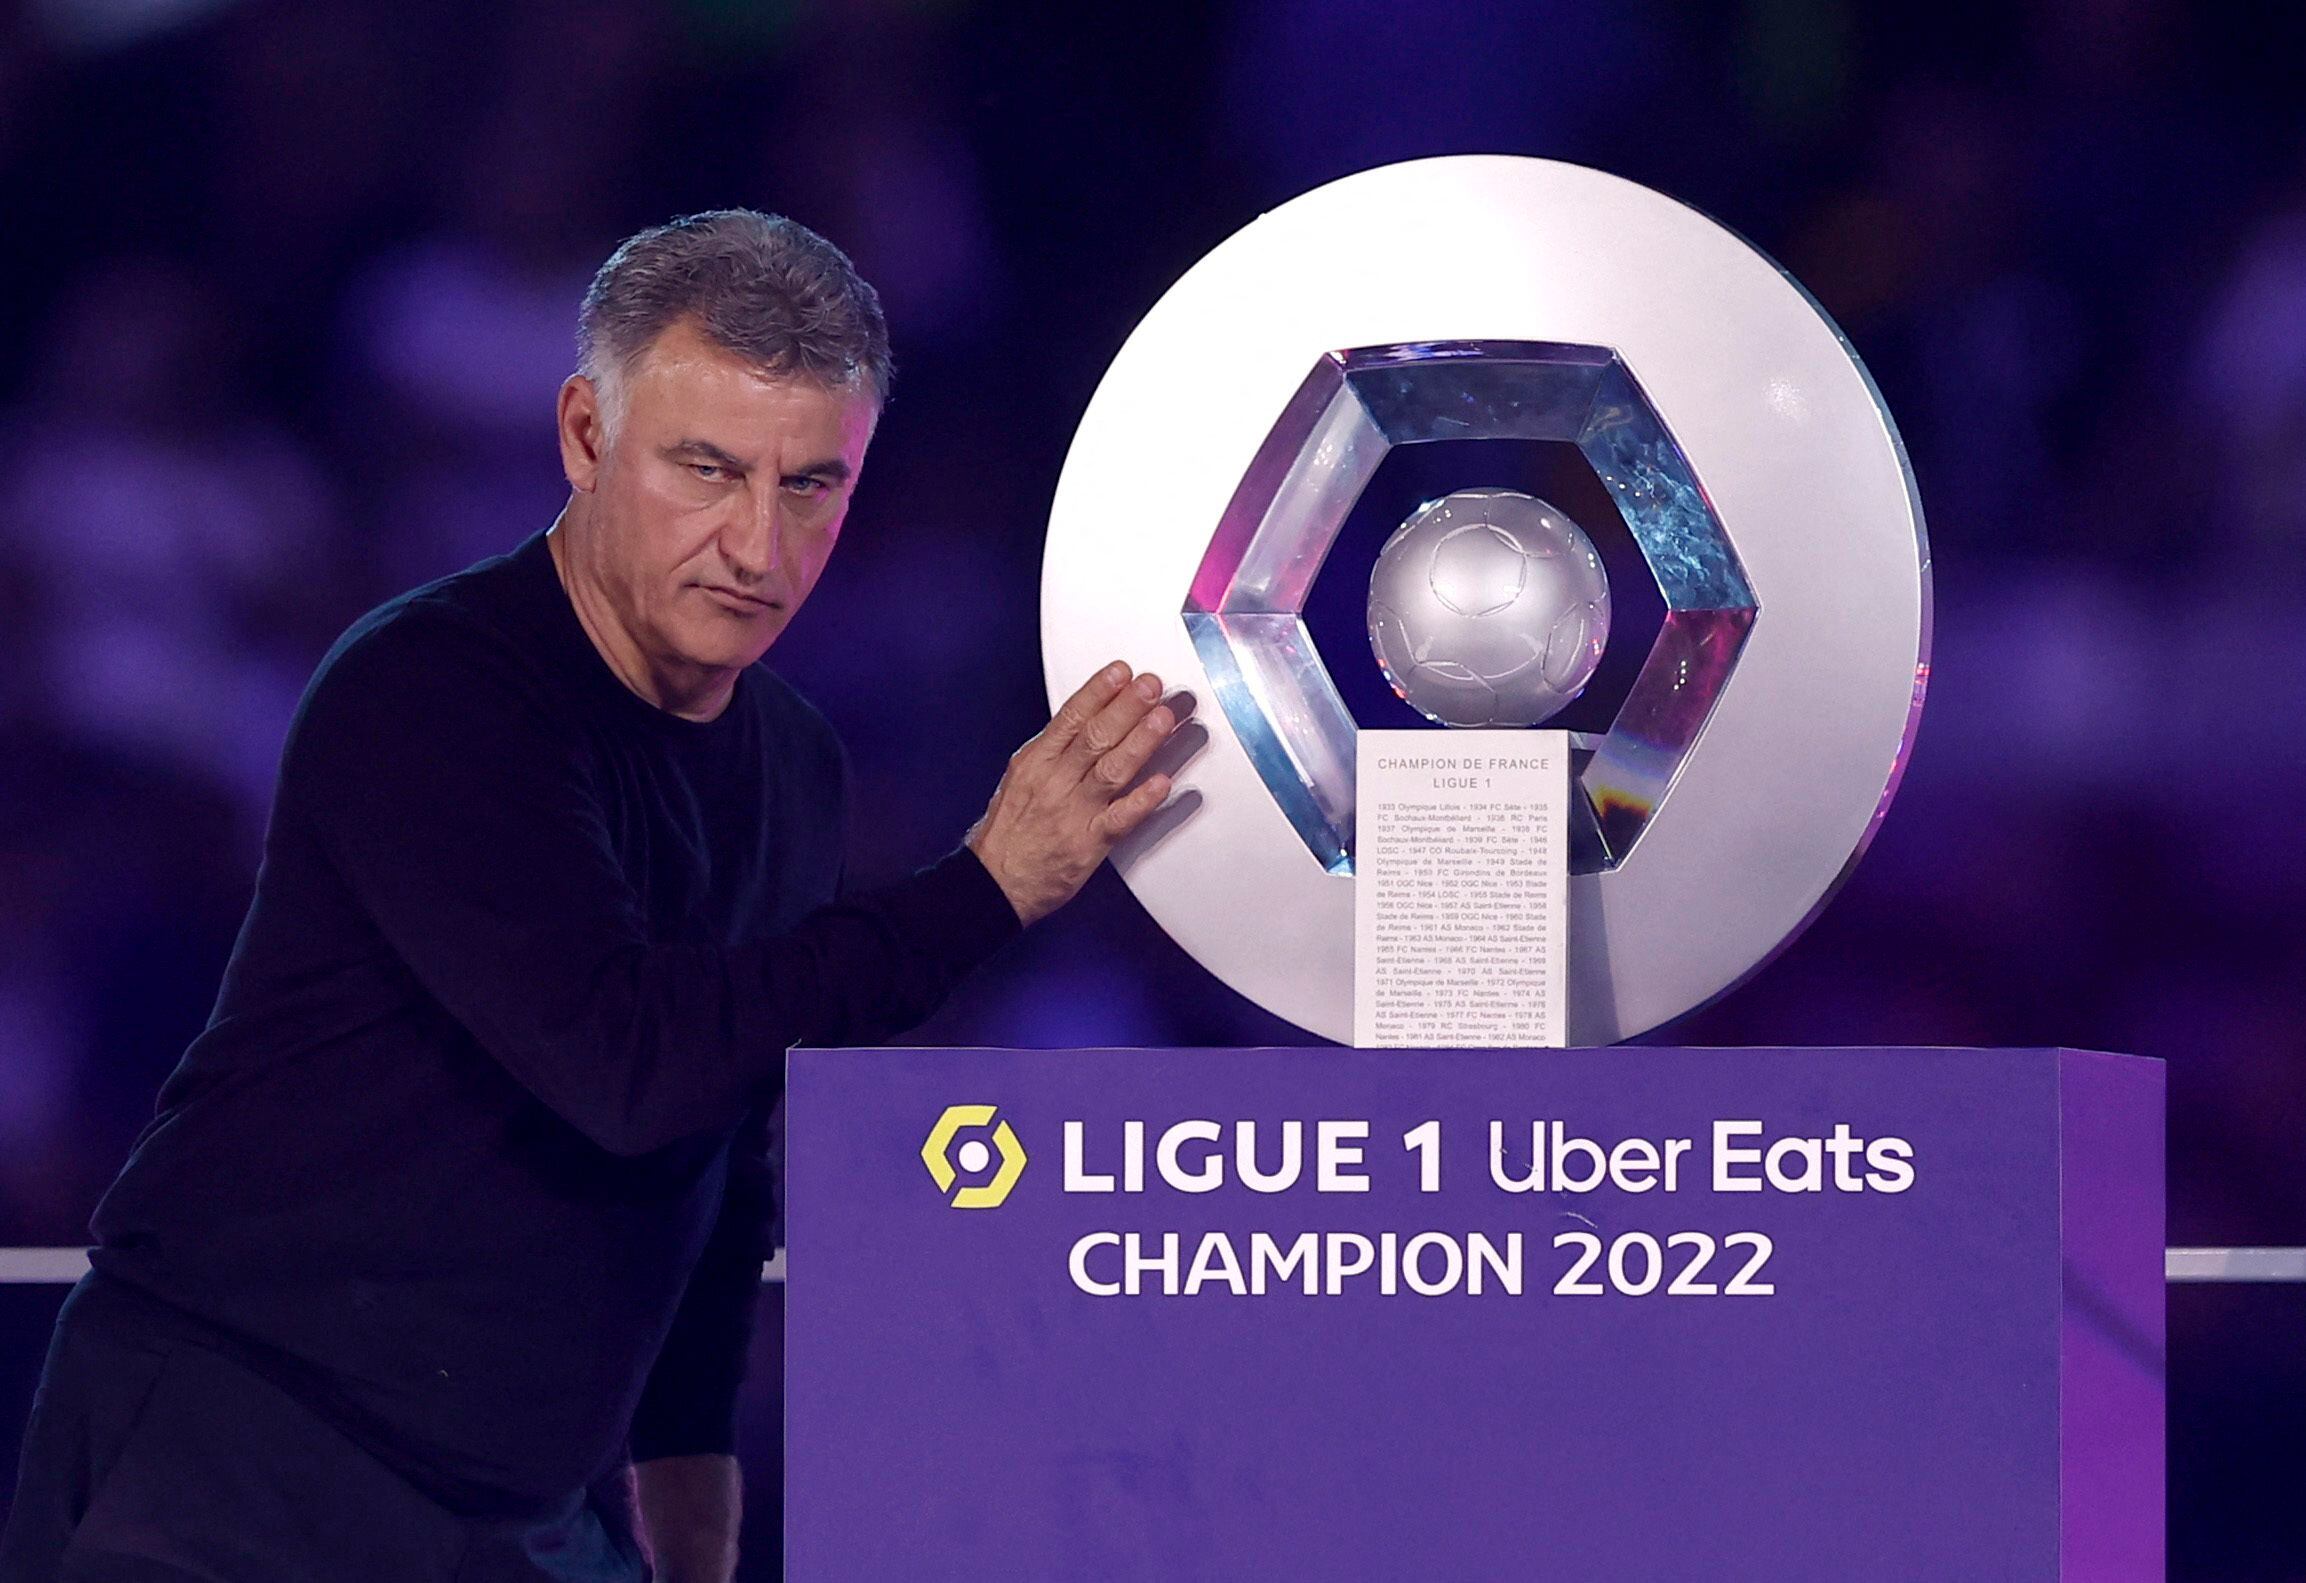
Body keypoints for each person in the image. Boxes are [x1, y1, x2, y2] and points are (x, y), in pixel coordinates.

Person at [0, 209, 1183, 1582]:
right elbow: (625, 1062)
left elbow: (717, 1125)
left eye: (810, 485)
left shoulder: (789, 760)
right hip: (241, 1460)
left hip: (519, 1501)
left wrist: (687, 1473)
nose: (756, 544)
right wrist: (982, 891)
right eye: (705, 469)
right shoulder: (431, 690)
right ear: (582, 438)